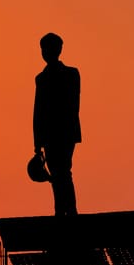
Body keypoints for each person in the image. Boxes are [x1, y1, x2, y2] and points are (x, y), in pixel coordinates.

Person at [32, 32, 81, 217]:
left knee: (62, 171)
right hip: (51, 135)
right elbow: (38, 112)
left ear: (58, 50)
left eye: (49, 48)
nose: (46, 52)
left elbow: (73, 105)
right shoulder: (41, 79)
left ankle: (68, 211)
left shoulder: (71, 74)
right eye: (43, 49)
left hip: (64, 132)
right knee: (57, 173)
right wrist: (37, 142)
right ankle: (63, 210)